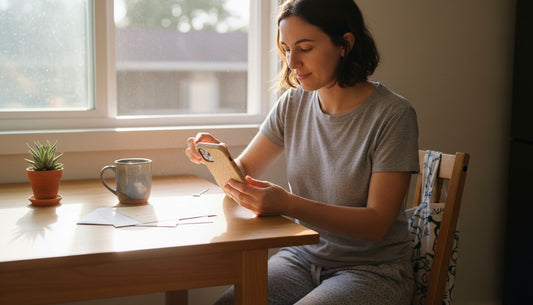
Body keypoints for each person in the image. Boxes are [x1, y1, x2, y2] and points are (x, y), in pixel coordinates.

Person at [185, 0, 419, 304]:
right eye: (286, 49)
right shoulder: (292, 104)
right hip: (301, 259)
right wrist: (217, 157)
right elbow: (242, 174)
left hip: (372, 271)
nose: (292, 62)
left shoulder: (393, 114)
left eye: (305, 48)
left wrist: (288, 204)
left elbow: (378, 224)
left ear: (345, 44)